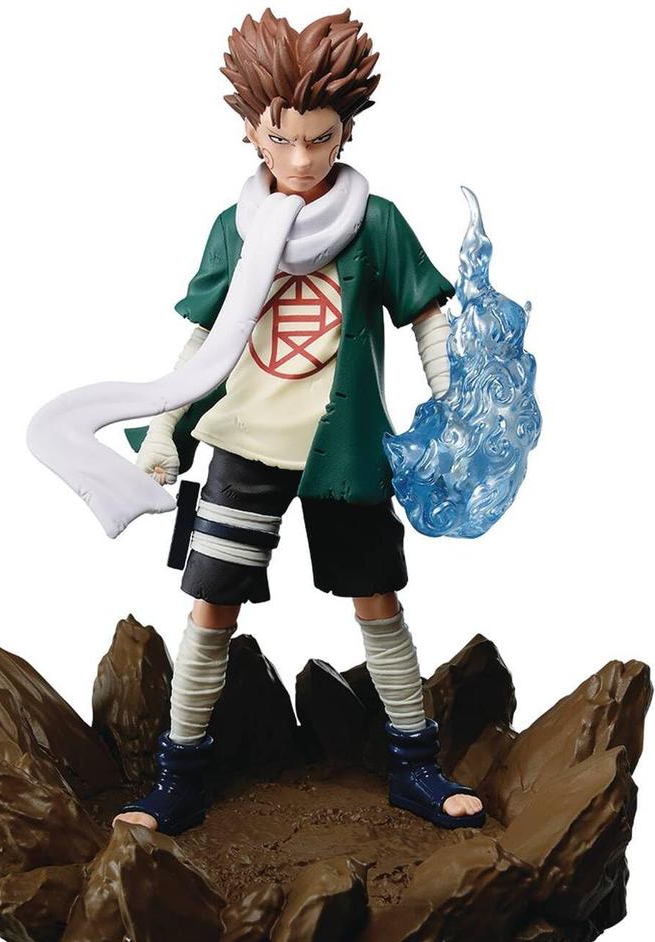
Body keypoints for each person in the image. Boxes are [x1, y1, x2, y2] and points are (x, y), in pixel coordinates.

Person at [114, 8, 485, 834]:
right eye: (282, 139)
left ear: (346, 130)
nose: (302, 160)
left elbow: (427, 317)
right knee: (210, 603)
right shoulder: (236, 228)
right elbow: (203, 340)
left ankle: (414, 765)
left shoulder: (375, 222)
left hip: (344, 451)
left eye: (320, 139)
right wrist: (163, 429)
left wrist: (451, 404)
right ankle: (179, 775)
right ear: (252, 131)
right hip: (244, 442)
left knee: (378, 599)